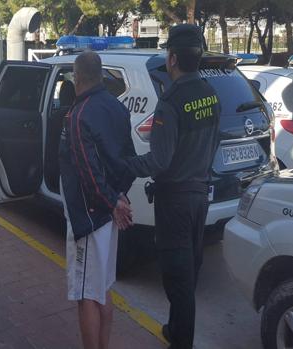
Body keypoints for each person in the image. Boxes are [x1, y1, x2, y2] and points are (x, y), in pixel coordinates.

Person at [122, 24, 221, 349]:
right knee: (189, 269)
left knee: (176, 277)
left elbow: (159, 161)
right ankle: (175, 330)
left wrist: (123, 166)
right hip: (200, 197)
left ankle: (182, 340)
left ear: (173, 58)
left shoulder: (171, 102)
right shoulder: (210, 94)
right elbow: (214, 143)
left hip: (175, 202)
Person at [59, 51, 136, 349]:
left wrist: (111, 202)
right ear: (101, 75)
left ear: (77, 78)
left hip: (89, 218)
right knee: (103, 288)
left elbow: (88, 172)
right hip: (107, 213)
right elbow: (126, 161)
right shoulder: (117, 108)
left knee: (86, 295)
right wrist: (118, 196)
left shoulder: (79, 116)